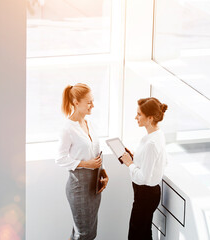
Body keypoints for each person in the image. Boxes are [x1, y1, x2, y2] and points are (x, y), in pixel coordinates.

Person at [56, 83, 109, 240]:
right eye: (89, 102)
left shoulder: (89, 124)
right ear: (76, 102)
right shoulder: (67, 128)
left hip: (94, 185)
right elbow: (60, 158)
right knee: (83, 234)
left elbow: (94, 151)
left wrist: (103, 172)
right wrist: (86, 164)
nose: (92, 105)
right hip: (79, 186)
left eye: (93, 101)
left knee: (87, 232)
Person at [120, 97, 168, 240]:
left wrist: (130, 163)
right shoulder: (157, 135)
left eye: (139, 114)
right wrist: (136, 158)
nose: (136, 117)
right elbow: (160, 162)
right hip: (148, 194)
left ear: (150, 118)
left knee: (136, 235)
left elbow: (144, 178)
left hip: (145, 195)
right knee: (144, 232)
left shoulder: (151, 143)